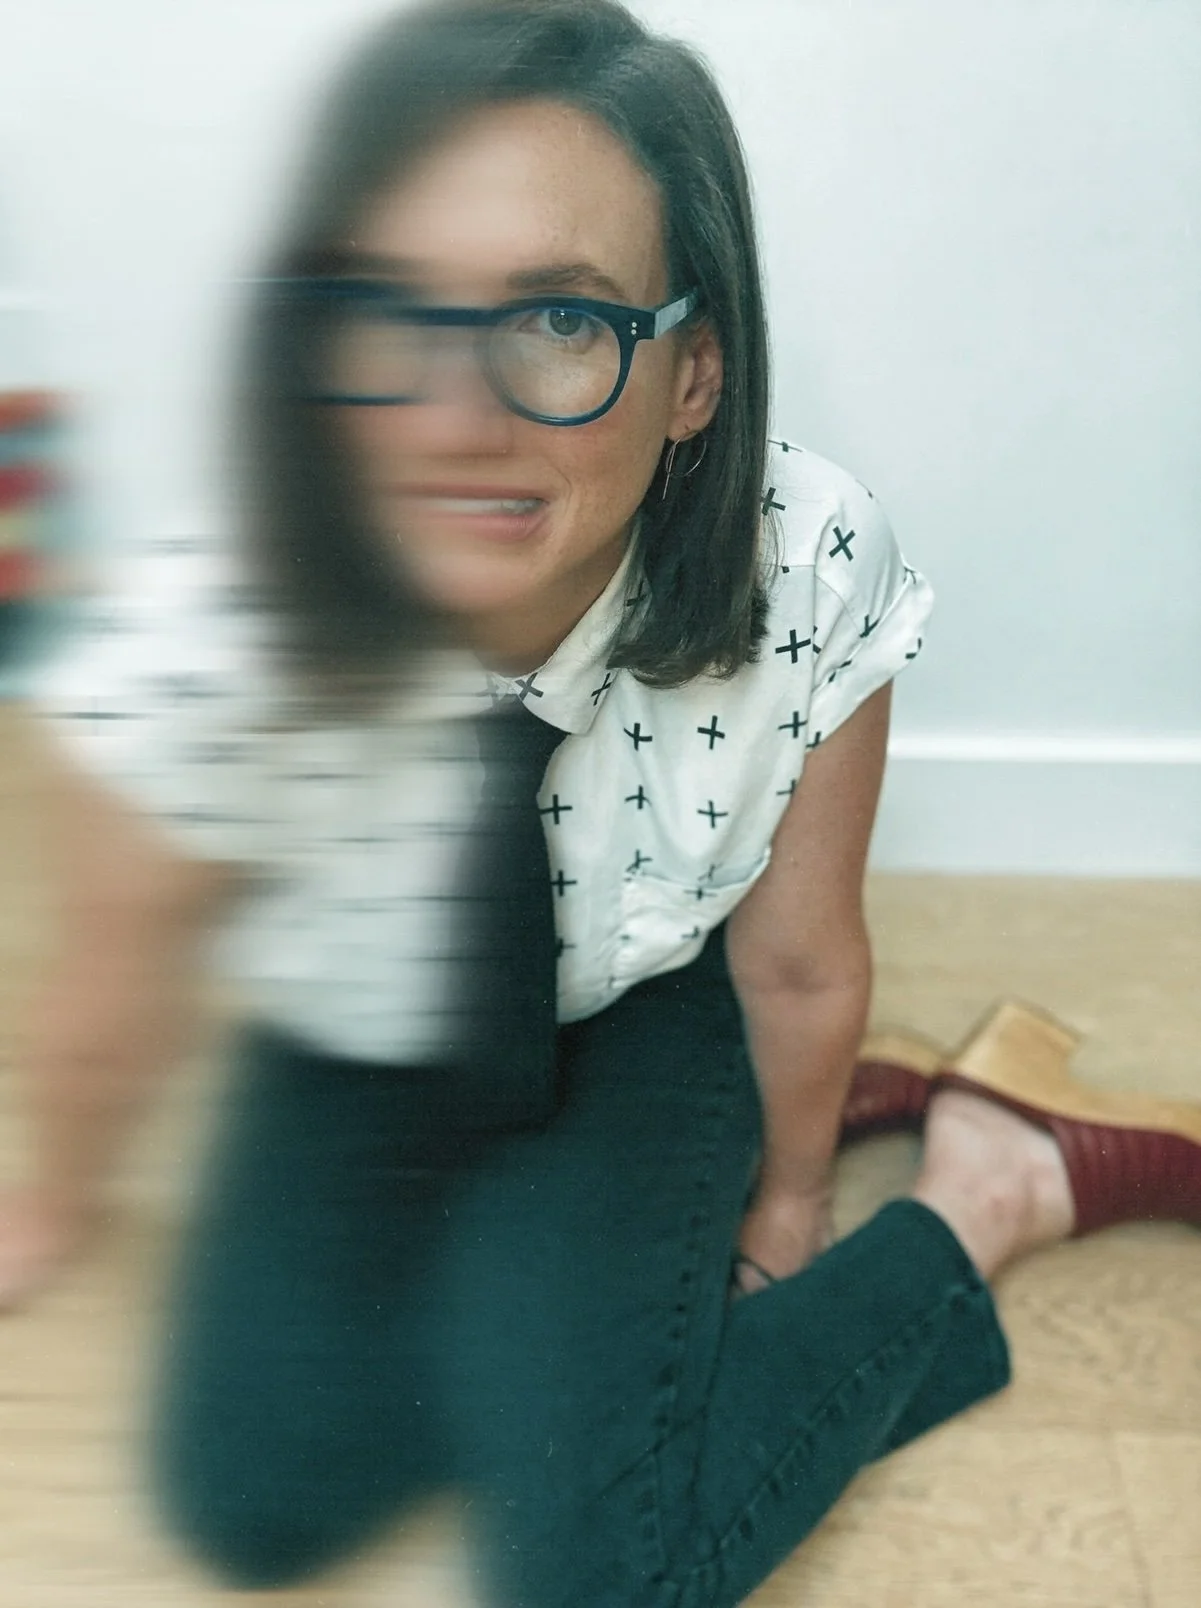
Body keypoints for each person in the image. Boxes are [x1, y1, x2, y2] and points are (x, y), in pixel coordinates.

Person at [4, 2, 1200, 1604]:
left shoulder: (807, 566)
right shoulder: (222, 614)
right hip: (361, 1025)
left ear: (694, 371)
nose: (454, 416)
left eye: (560, 321)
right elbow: (118, 966)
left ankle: (987, 1191)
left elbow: (796, 957)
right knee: (254, 1503)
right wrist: (53, 1195)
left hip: (638, 1013)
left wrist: (784, 1210)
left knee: (590, 1576)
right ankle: (545, 1329)